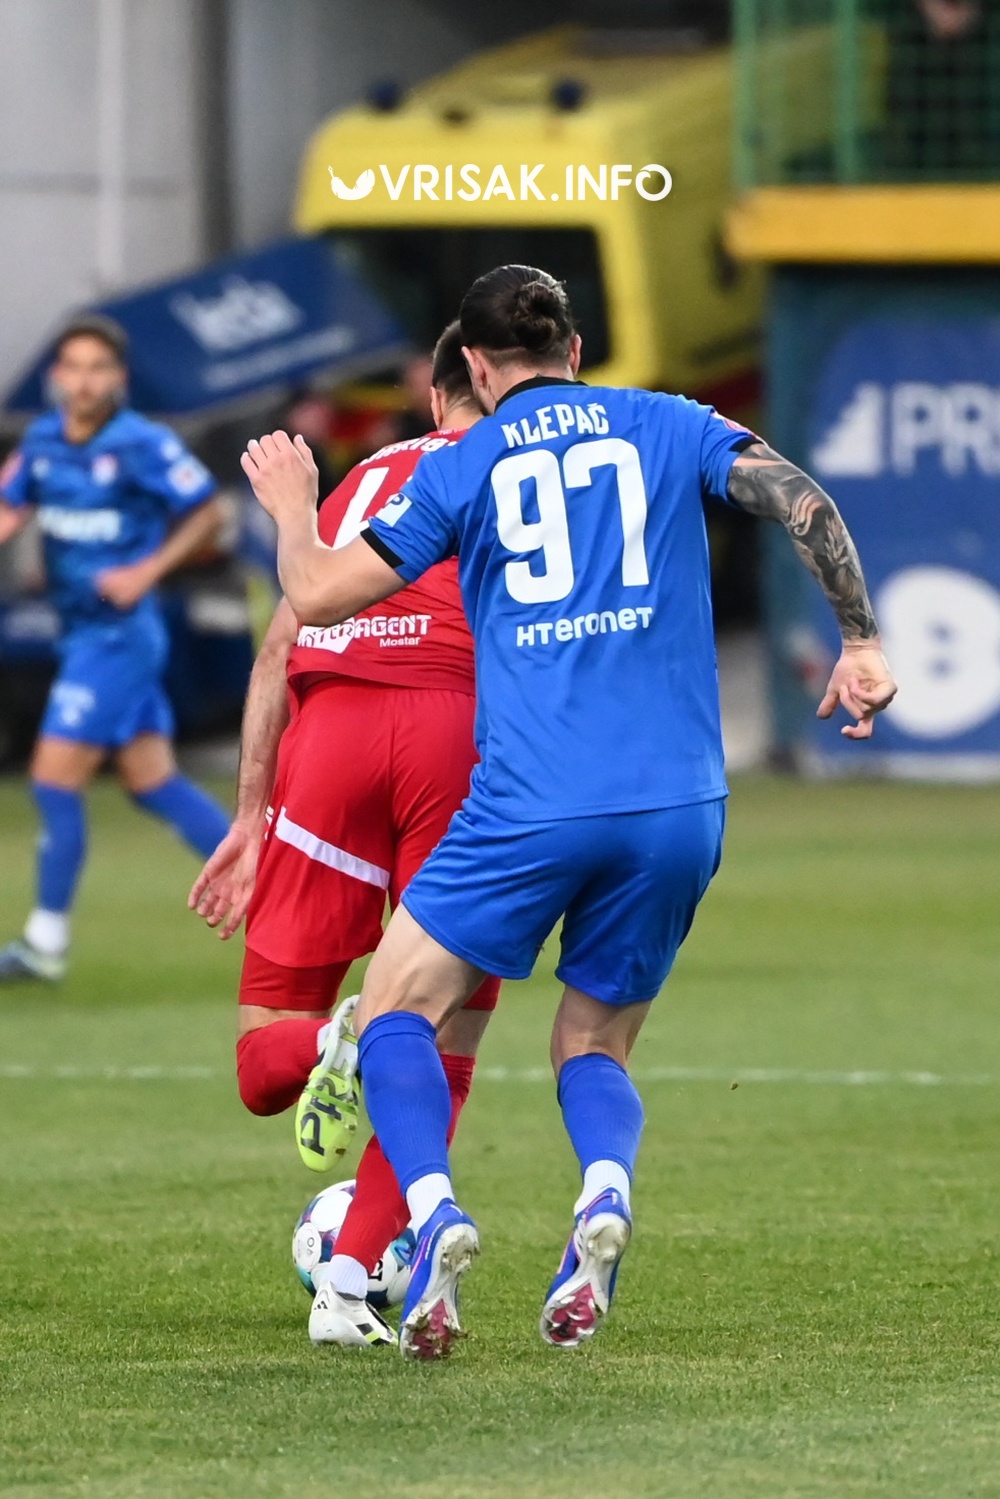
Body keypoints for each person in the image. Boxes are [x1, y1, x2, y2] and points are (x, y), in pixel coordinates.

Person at [240, 265, 898, 1362]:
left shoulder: (465, 463)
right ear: (576, 351)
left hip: (532, 800)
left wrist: (291, 509)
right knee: (593, 1039)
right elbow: (803, 501)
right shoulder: (670, 422)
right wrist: (861, 641)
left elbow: (313, 597)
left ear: (476, 365)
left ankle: (433, 1213)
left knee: (396, 1002)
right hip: (680, 804)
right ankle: (603, 1188)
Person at [189, 320, 500, 1350]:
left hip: (325, 739)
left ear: (433, 392)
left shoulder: (365, 475)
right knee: (443, 1038)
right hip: (454, 734)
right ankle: (349, 1280)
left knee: (258, 1059)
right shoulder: (525, 468)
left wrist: (249, 814)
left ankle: (334, 1038)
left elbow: (279, 646)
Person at [0, 315, 230, 983]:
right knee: (153, 783)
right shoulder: (43, 440)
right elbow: (10, 507)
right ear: (57, 376)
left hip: (120, 638)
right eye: (73, 367)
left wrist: (146, 571)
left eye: (97, 368)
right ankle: (279, 898)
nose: (84, 381)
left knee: (52, 779)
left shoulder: (142, 443)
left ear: (118, 377)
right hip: (82, 634)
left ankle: (45, 943)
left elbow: (208, 511)